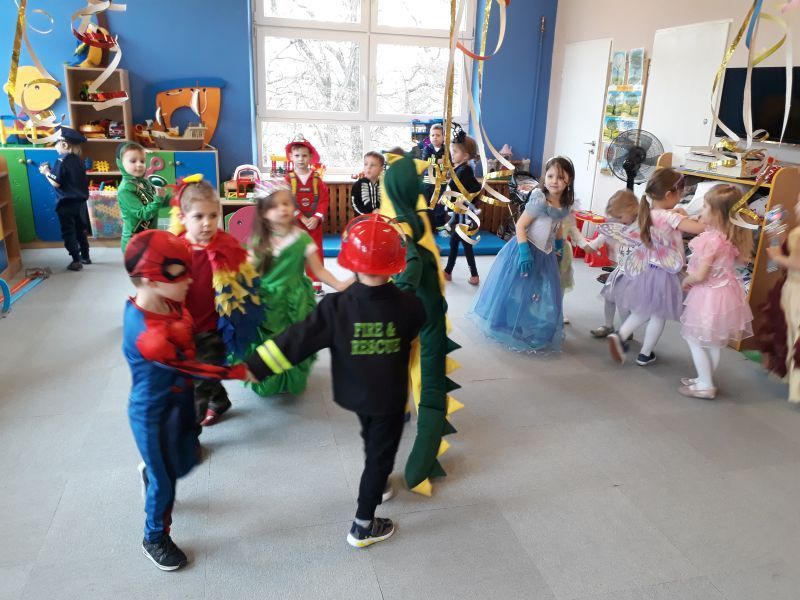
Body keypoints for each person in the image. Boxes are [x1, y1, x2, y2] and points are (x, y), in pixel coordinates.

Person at [245, 214, 426, 548]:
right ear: (395, 265)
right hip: (388, 398)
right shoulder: (411, 307)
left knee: (373, 442)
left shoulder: (334, 306)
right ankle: (363, 525)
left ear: (350, 262)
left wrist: (256, 365)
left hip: (353, 393)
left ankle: (378, 481)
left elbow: (297, 339)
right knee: (380, 455)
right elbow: (414, 330)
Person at [122, 230, 249, 570]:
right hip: (154, 414)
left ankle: (152, 470)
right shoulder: (148, 334)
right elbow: (192, 366)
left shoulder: (168, 302)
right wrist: (240, 372)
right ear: (150, 280)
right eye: (180, 274)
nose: (189, 280)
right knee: (166, 484)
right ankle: (154, 537)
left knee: (183, 460)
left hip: (179, 401)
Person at [170, 176, 264, 426]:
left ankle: (190, 435)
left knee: (200, 381)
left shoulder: (226, 244)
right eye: (199, 216)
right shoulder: (175, 249)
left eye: (213, 216)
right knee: (196, 371)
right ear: (182, 217)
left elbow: (245, 278)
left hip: (215, 329)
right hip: (184, 326)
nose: (207, 223)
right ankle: (219, 401)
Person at [247, 180, 352, 397]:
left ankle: (291, 376)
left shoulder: (302, 238)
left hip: (296, 300)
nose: (282, 209)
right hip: (267, 302)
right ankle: (269, 377)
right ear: (263, 212)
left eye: (286, 203)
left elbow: (318, 270)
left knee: (295, 339)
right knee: (270, 341)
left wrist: (340, 284)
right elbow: (249, 272)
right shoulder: (259, 240)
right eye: (274, 206)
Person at [468, 156, 576, 352]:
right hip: (525, 249)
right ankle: (502, 321)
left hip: (545, 255)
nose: (554, 181)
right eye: (550, 176)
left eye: (560, 177)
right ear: (545, 177)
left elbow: (558, 226)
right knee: (515, 288)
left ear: (569, 180)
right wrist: (525, 254)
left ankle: (523, 321)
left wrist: (559, 247)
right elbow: (520, 226)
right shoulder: (540, 199)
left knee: (533, 289)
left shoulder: (564, 204)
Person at [607, 169, 705, 365]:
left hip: (647, 269)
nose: (680, 199)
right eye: (680, 194)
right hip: (666, 273)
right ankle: (644, 353)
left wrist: (679, 214)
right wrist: (704, 217)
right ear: (669, 195)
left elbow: (670, 221)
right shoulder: (670, 217)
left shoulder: (648, 213)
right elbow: (699, 228)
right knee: (659, 315)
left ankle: (622, 335)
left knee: (644, 311)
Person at [678, 185, 754, 399]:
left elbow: (701, 275)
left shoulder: (710, 241)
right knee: (713, 343)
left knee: (694, 340)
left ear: (718, 214)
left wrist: (687, 280)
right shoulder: (730, 236)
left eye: (704, 206)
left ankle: (705, 385)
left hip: (708, 296)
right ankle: (705, 377)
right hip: (726, 294)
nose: (700, 210)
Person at [759, 200, 800, 403]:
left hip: (796, 289)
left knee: (795, 333)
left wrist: (777, 257)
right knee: (791, 331)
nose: (795, 206)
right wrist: (779, 234)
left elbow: (796, 262)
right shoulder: (796, 232)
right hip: (791, 287)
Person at [588, 189, 640, 338]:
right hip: (620, 269)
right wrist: (591, 245)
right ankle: (608, 325)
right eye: (615, 218)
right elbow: (604, 235)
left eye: (620, 217)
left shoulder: (641, 225)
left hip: (634, 272)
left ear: (632, 209)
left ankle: (626, 331)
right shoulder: (618, 223)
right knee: (609, 297)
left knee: (623, 303)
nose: (618, 220)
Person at [38, 127, 91, 271]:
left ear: (65, 144)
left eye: (55, 143)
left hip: (66, 204)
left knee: (69, 232)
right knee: (81, 231)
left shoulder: (61, 160)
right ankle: (85, 256)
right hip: (80, 203)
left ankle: (76, 261)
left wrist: (46, 172)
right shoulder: (79, 161)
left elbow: (56, 182)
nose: (55, 147)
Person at [285, 134, 329, 295]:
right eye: (297, 155)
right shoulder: (288, 179)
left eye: (304, 156)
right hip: (294, 224)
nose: (301, 159)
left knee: (314, 252)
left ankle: (315, 285)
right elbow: (286, 200)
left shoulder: (317, 180)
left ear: (310, 157)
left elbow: (324, 200)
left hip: (313, 224)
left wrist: (316, 217)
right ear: (291, 157)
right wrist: (300, 217)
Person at [442, 133, 482, 285]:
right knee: (455, 242)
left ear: (465, 156)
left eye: (455, 151)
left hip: (465, 216)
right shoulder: (461, 169)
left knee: (465, 244)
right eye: (452, 151)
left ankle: (474, 275)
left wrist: (447, 196)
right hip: (461, 214)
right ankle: (448, 271)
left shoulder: (464, 170)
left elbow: (459, 186)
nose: (452, 154)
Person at [117, 141, 169, 251]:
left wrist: (177, 198)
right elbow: (143, 214)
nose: (139, 164)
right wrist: (158, 198)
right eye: (133, 161)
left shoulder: (144, 183)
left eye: (142, 161)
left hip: (148, 237)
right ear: (121, 163)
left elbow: (157, 203)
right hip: (134, 243)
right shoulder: (125, 189)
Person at [421, 123, 448, 230]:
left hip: (441, 183)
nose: (435, 137)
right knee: (427, 206)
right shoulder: (427, 149)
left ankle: (440, 228)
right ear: (429, 136)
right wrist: (437, 161)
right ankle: (428, 228)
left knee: (440, 206)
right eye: (432, 135)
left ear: (443, 137)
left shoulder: (446, 150)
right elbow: (424, 161)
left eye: (438, 135)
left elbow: (449, 163)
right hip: (428, 183)